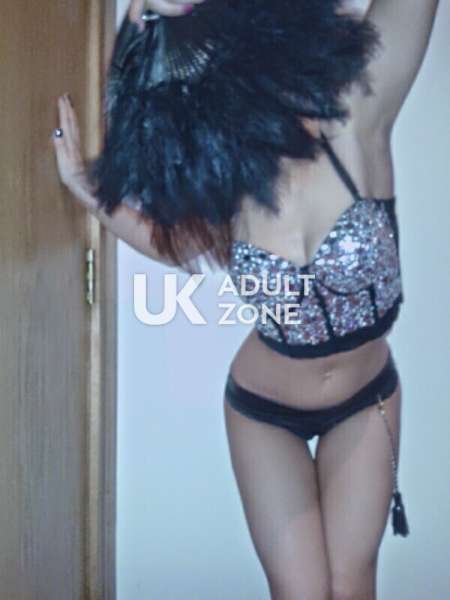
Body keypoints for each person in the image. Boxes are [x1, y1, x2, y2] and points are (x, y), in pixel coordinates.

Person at [52, 1, 440, 598]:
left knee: (351, 585)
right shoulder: (227, 173)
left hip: (367, 401)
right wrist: (89, 192)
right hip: (263, 413)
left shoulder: (358, 107)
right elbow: (173, 244)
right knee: (301, 592)